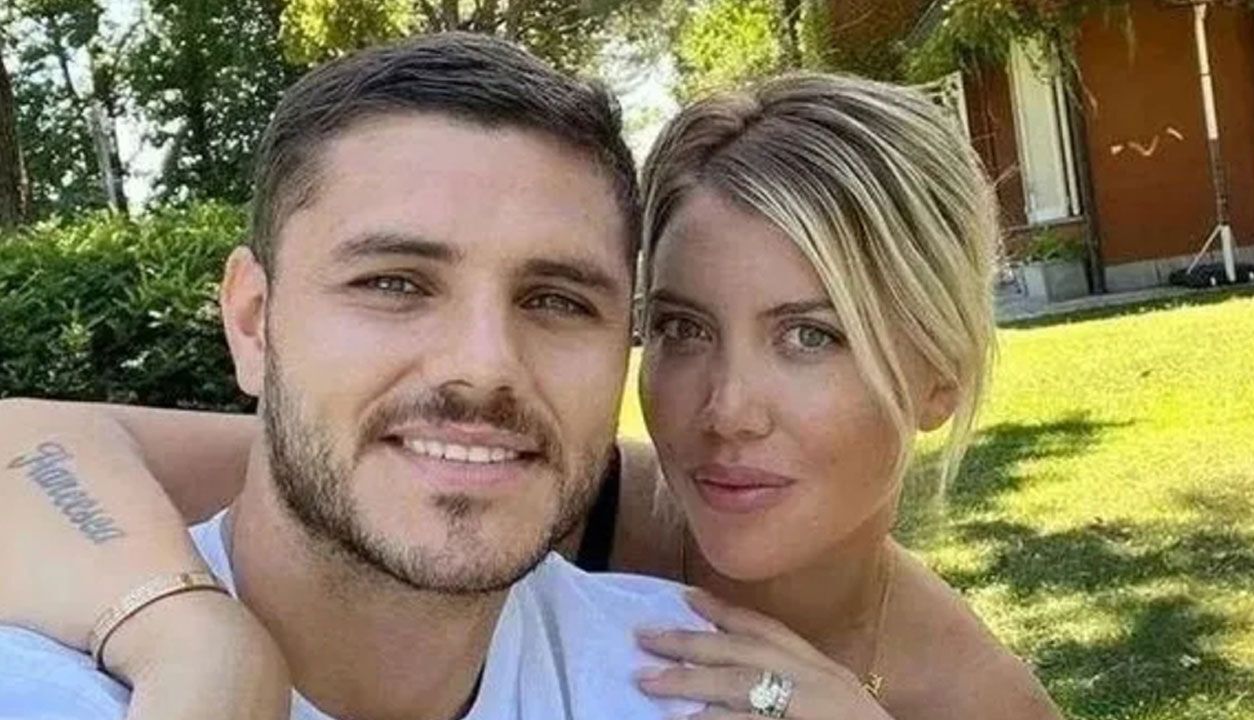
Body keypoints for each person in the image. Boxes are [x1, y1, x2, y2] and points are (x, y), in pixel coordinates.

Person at [0, 67, 1062, 720]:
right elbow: (34, 449)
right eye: (681, 328)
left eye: (812, 336)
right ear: (252, 319)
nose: (725, 410)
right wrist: (201, 645)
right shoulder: (598, 491)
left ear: (938, 379)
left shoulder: (965, 692)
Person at [0, 32, 729, 720]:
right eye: (394, 284)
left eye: (557, 301)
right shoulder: (46, 690)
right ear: (252, 321)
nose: (484, 366)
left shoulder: (708, 686)